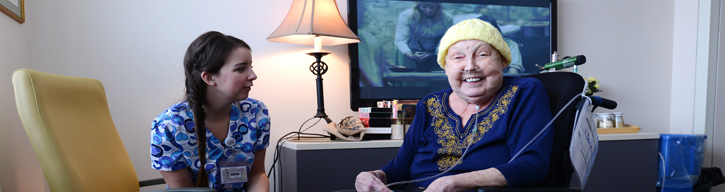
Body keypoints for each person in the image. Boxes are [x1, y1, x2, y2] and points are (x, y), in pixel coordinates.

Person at [355, 19, 553, 192]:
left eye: (482, 55)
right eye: (458, 57)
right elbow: (400, 168)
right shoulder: (429, 104)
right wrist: (374, 176)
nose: (470, 66)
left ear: (502, 61)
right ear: (446, 67)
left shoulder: (524, 92)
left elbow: (532, 165)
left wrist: (455, 183)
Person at [150, 31, 270, 192]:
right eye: (241, 69)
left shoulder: (256, 113)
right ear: (209, 78)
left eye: (251, 66)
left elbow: (257, 174)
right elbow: (183, 190)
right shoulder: (168, 126)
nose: (253, 75)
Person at [394, 2, 453, 72]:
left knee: (432, 77)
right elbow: (400, 40)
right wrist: (411, 55)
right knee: (408, 77)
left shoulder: (447, 18)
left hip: (432, 52)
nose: (428, 10)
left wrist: (438, 54)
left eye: (432, 7)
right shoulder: (407, 16)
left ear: (438, 6)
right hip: (408, 50)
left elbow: (444, 39)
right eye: (424, 7)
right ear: (418, 6)